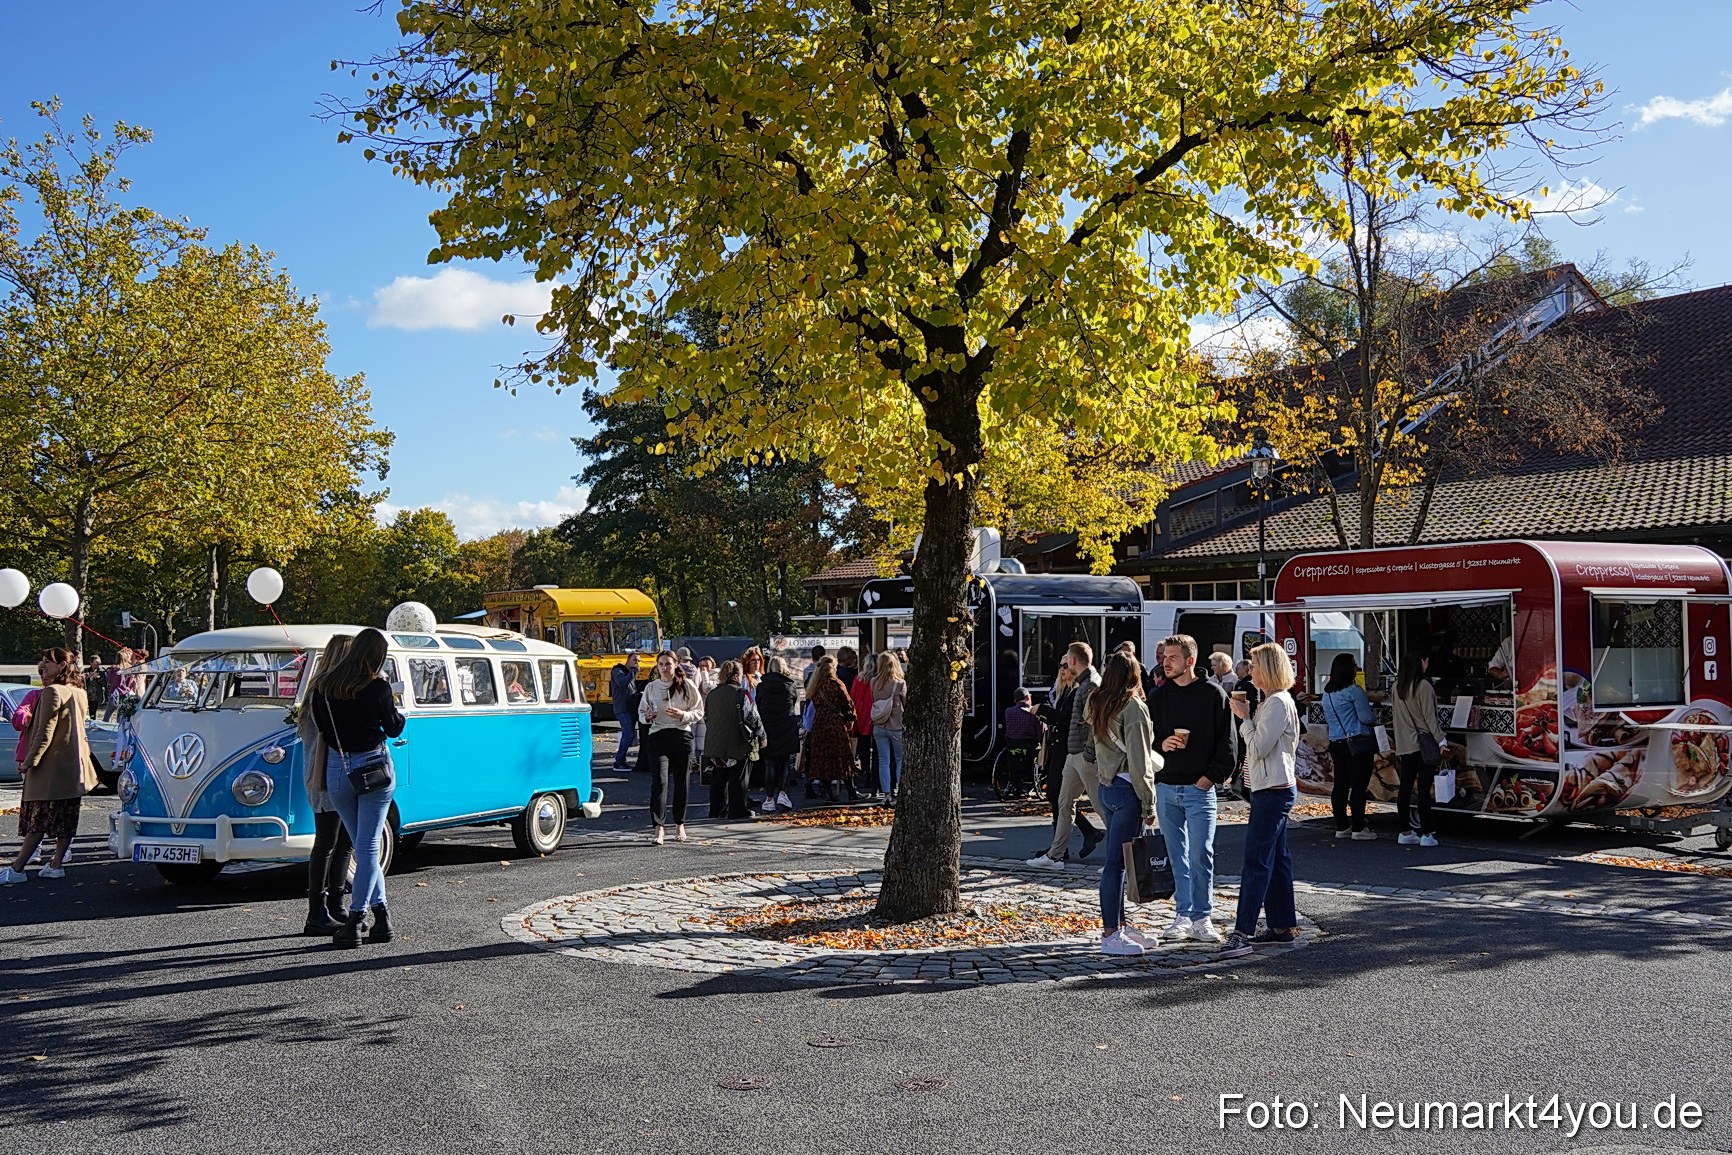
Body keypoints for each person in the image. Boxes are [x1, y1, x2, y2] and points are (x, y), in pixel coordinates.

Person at [308, 628, 406, 947]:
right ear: (375, 655)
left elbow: (323, 728)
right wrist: (399, 712)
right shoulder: (377, 685)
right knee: (367, 848)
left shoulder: (323, 687)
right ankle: (355, 919)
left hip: (339, 769)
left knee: (363, 849)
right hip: (374, 767)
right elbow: (392, 729)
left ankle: (383, 917)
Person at [1148, 634, 1235, 943]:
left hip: (1200, 788)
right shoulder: (1156, 698)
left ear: (1189, 661)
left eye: (1171, 657)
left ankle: (1202, 917)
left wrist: (1210, 777)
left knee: (1201, 854)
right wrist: (1161, 744)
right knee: (1177, 857)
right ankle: (1182, 915)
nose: (1165, 662)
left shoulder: (1213, 695)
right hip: (1167, 788)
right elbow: (1145, 744)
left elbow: (1228, 744)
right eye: (1164, 657)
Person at [1220, 643, 1301, 957]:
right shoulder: (1274, 701)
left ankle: (1243, 931)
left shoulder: (1277, 702)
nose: (1249, 670)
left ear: (1267, 668)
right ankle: (1281, 927)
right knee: (1277, 860)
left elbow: (1259, 747)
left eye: (1253, 664)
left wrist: (1244, 719)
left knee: (1256, 860)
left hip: (1273, 791)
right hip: (1272, 788)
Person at [1086, 651, 1164, 956]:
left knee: (1117, 862)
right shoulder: (1133, 707)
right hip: (1127, 788)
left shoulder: (1098, 701)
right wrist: (1150, 803)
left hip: (1107, 785)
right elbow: (1140, 760)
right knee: (1116, 865)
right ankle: (1111, 931)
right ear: (1135, 674)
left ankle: (1119, 924)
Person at [0, 650, 95, 884]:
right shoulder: (79, 692)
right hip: (73, 766)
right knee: (65, 818)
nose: (42, 665)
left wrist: (30, 761)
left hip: (49, 767)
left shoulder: (53, 691)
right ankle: (56, 864)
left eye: (48, 662)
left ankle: (17, 869)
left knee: (38, 820)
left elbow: (44, 733)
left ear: (62, 665)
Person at [296, 634, 356, 934]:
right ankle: (316, 911)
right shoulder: (323, 693)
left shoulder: (322, 690)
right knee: (327, 842)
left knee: (343, 842)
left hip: (331, 773)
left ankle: (335, 903)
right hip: (324, 775)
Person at [1027, 642, 1104, 870]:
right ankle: (1056, 855)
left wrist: (1089, 753)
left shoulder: (1090, 685)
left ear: (1072, 661)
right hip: (1072, 752)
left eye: (1065, 662)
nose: (1062, 668)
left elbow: (1092, 724)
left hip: (1082, 753)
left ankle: (1122, 856)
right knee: (1062, 802)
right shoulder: (1081, 684)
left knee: (1101, 806)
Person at [639, 650, 704, 843]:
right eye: (661, 664)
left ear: (676, 665)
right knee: (660, 781)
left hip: (681, 735)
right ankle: (658, 828)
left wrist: (682, 715)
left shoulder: (687, 685)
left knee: (682, 782)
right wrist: (647, 716)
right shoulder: (651, 687)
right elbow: (642, 713)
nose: (664, 668)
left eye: (668, 664)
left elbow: (699, 711)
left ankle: (679, 824)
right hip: (658, 736)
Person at [1392, 651, 1449, 847]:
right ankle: (1427, 833)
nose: (1427, 664)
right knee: (1424, 789)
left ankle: (1404, 831)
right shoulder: (1423, 686)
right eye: (1426, 660)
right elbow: (1430, 718)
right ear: (1420, 663)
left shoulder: (1396, 687)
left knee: (1405, 787)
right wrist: (1441, 740)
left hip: (1404, 744)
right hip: (1423, 744)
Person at [1322, 653, 1379, 841]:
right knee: (1358, 786)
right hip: (1356, 742)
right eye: (1354, 665)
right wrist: (1376, 716)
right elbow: (1366, 718)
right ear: (1348, 669)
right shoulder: (1354, 691)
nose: (1357, 668)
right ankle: (1358, 827)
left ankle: (1341, 825)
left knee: (1340, 784)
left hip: (1336, 742)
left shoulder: (1327, 693)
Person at [704, 660, 766, 821]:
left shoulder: (713, 694)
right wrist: (762, 736)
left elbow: (707, 717)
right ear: (737, 675)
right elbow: (753, 717)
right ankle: (738, 810)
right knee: (738, 777)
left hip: (715, 742)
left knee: (719, 777)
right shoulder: (741, 693)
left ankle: (717, 810)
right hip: (738, 741)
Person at [805, 655, 858, 802]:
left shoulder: (815, 685)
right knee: (843, 758)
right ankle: (852, 792)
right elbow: (848, 703)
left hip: (820, 725)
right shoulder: (836, 684)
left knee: (824, 758)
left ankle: (828, 792)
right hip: (835, 724)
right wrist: (851, 719)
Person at [758, 656, 803, 813]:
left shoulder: (762, 686)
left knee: (769, 764)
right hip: (786, 727)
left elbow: (758, 705)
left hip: (768, 727)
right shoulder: (789, 685)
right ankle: (783, 794)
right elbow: (793, 703)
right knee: (784, 763)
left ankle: (769, 798)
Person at [869, 651, 906, 803]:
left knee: (883, 760)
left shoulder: (873, 682)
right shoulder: (899, 683)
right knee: (899, 760)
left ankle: (886, 795)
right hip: (896, 725)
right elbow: (906, 703)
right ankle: (899, 791)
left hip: (879, 724)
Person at [1001, 687, 1045, 797]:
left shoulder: (1008, 712)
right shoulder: (1034, 713)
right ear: (1027, 697)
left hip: (1013, 746)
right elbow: (1040, 734)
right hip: (1030, 747)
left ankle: (1015, 784)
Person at [851, 652, 878, 799]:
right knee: (878, 749)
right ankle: (875, 777)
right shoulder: (879, 680)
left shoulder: (858, 678)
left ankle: (866, 773)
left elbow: (853, 696)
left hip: (861, 715)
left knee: (864, 747)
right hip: (876, 715)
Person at [610, 653, 642, 770]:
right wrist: (633, 672)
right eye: (634, 660)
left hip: (631, 708)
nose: (637, 663)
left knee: (629, 735)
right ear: (628, 660)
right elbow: (623, 683)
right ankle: (619, 762)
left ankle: (621, 760)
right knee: (628, 735)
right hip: (622, 708)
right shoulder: (618, 671)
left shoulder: (630, 674)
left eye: (638, 661)